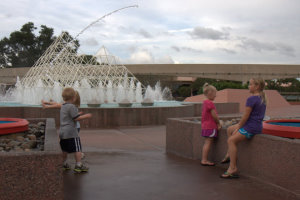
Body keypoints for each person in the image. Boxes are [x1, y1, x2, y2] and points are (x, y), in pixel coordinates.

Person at [221, 78, 267, 179]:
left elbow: (245, 116)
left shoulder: (251, 99)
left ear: (257, 87)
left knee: (231, 141)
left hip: (250, 127)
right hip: (257, 126)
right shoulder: (262, 98)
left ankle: (232, 168)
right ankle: (229, 153)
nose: (248, 86)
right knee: (229, 129)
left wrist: (239, 127)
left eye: (250, 84)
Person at [42, 91, 86, 158]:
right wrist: (47, 103)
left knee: (72, 142)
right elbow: (57, 104)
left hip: (72, 128)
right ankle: (78, 154)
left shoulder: (68, 106)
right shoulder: (71, 106)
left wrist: (46, 106)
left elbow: (57, 105)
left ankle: (77, 153)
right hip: (74, 127)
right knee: (74, 142)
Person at [59, 87, 92, 173]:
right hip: (71, 132)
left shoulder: (63, 106)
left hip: (62, 131)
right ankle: (78, 165)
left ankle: (64, 163)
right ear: (73, 98)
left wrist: (78, 114)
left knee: (64, 149)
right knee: (77, 149)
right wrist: (86, 116)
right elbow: (76, 119)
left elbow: (69, 116)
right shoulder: (72, 106)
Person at [200, 83, 221, 166]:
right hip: (210, 126)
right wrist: (218, 123)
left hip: (205, 126)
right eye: (215, 94)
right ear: (210, 93)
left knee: (206, 143)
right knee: (208, 142)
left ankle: (204, 159)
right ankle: (204, 160)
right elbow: (214, 115)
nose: (215, 96)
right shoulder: (210, 103)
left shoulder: (205, 102)